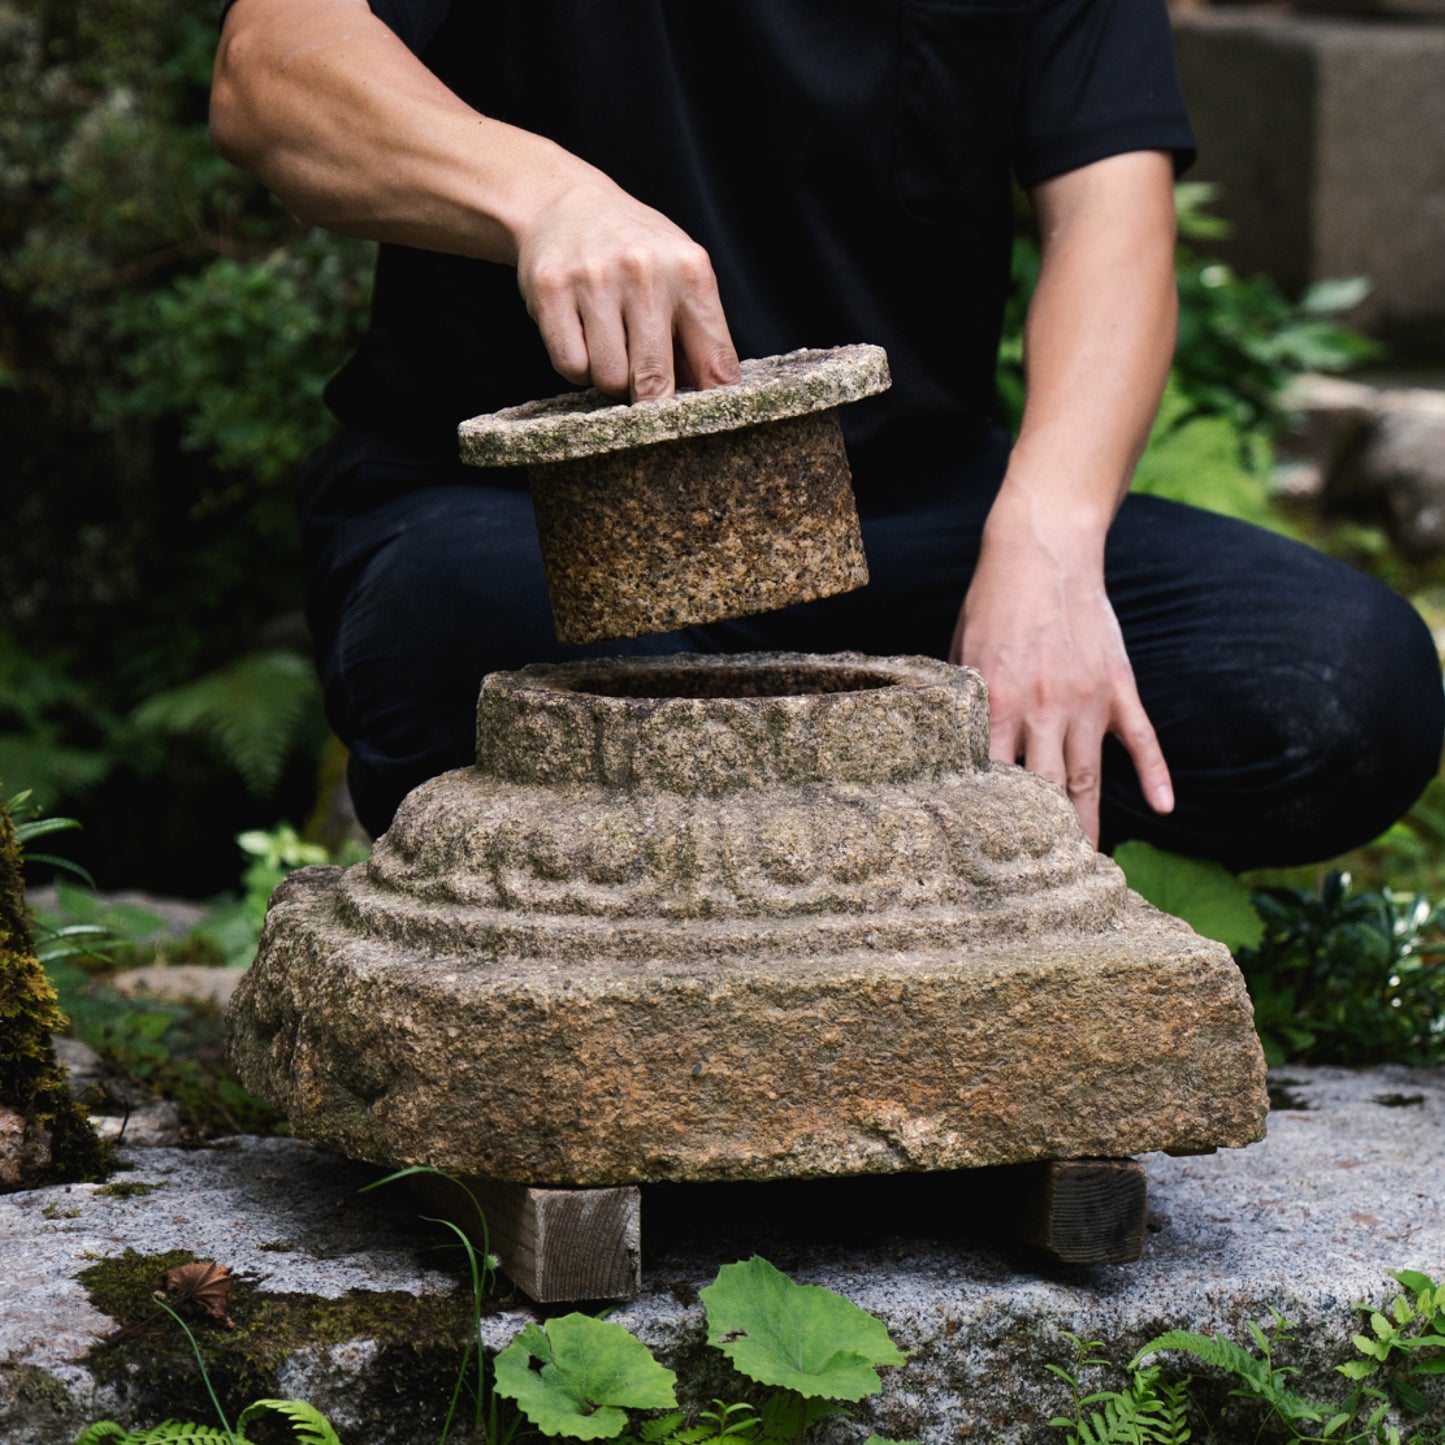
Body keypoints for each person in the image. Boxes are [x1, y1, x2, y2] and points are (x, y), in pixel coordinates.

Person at [210, 0, 1442, 864]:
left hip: (898, 527)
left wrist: (1049, 542)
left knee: (1340, 686)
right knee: (516, 666)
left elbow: (1111, 219)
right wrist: (539, 194)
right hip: (522, 528)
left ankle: (762, 875)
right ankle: (905, 863)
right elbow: (273, 64)